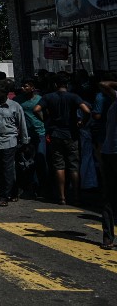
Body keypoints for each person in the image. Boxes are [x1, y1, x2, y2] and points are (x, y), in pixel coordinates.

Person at [41, 74, 92, 204]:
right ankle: (76, 195)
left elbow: (37, 109)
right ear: (67, 85)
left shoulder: (48, 97)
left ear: (54, 85)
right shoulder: (73, 97)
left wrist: (46, 119)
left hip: (55, 134)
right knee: (73, 165)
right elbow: (86, 110)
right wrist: (82, 122)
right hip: (71, 134)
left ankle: (62, 196)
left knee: (59, 165)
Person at [0, 78, 30, 207]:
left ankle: (3, 195)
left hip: (9, 142)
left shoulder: (15, 106)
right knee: (0, 169)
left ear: (5, 93)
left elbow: (22, 124)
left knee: (7, 168)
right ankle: (12, 190)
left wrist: (25, 141)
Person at [16, 77, 47, 199]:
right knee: (25, 162)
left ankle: (42, 186)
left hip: (39, 133)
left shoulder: (40, 100)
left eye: (26, 86)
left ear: (33, 88)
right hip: (25, 134)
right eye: (23, 86)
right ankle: (28, 186)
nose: (23, 88)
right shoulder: (18, 100)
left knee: (40, 158)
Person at [97, 79, 117, 250]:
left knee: (109, 196)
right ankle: (108, 237)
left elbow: (105, 85)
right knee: (108, 196)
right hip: (110, 152)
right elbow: (104, 84)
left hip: (112, 152)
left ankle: (108, 237)